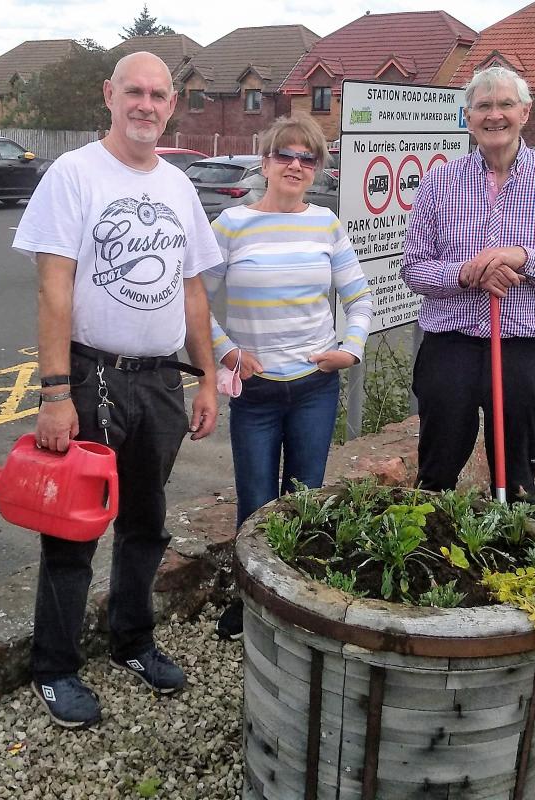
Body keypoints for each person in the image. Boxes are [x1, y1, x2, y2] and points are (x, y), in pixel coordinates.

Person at [12, 52, 222, 729]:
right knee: (72, 534)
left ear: (171, 104)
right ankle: (56, 666)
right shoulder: (73, 174)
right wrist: (52, 392)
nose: (146, 104)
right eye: (134, 90)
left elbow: (192, 288)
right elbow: (53, 288)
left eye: (158, 94)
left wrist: (208, 375)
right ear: (109, 95)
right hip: (88, 379)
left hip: (159, 382)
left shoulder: (178, 186)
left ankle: (133, 641)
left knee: (145, 524)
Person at [204, 114, 373, 639]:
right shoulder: (231, 225)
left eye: (309, 158)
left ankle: (296, 598)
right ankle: (250, 597)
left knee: (304, 498)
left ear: (318, 168)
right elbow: (194, 302)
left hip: (314, 389)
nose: (296, 165)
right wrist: (227, 351)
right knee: (255, 502)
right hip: (254, 392)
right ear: (266, 162)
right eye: (286, 155)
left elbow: (359, 297)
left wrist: (351, 348)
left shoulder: (325, 224)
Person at [401, 66, 535, 508]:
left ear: (525, 112)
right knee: (438, 465)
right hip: (450, 342)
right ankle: (431, 551)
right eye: (484, 106)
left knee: (515, 472)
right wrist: (468, 274)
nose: (495, 115)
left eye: (506, 104)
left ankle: (514, 546)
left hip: (521, 345)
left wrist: (522, 258)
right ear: (468, 117)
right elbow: (414, 269)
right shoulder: (439, 180)